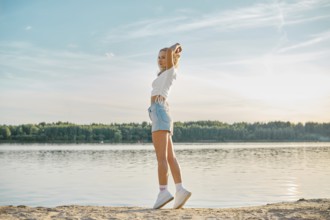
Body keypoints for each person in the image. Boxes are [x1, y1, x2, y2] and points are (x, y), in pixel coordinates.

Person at [147, 43, 192, 209]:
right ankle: (180, 190)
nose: (160, 60)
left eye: (164, 57)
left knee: (161, 158)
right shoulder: (164, 75)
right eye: (158, 57)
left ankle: (163, 191)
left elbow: (171, 51)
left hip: (159, 112)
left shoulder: (170, 72)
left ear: (171, 59)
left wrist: (175, 47)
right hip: (161, 112)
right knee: (170, 157)